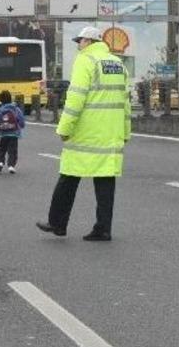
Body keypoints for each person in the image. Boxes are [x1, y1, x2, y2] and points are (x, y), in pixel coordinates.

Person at [36, 26, 131, 242]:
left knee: (68, 177)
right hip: (111, 133)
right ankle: (103, 228)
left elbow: (76, 98)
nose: (78, 45)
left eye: (80, 41)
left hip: (86, 133)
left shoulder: (85, 61)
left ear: (88, 41)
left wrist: (64, 128)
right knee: (105, 182)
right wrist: (125, 131)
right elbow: (125, 102)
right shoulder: (117, 64)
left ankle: (57, 223)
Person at [0, 90, 25, 174]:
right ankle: (11, 165)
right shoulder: (16, 109)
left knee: (2, 149)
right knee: (12, 150)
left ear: (1, 100)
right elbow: (21, 120)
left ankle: (0, 162)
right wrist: (21, 126)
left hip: (3, 133)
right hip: (14, 133)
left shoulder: (1, 109)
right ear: (10, 98)